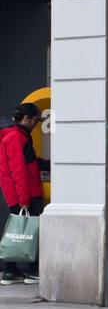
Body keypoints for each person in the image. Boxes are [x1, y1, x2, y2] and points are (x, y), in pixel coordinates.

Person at [0, 103, 48, 285]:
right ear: (26, 118)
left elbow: (28, 162)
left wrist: (49, 164)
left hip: (21, 193)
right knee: (30, 232)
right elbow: (18, 170)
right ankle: (27, 271)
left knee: (17, 231)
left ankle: (11, 271)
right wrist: (24, 199)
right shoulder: (15, 136)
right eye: (36, 120)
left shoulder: (14, 135)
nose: (37, 124)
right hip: (25, 193)